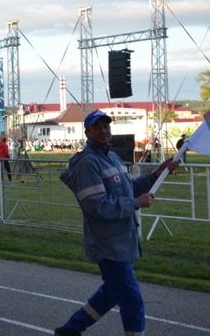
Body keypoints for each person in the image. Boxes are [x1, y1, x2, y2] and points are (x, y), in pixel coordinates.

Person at [54, 110, 178, 336]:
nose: (104, 131)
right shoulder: (87, 163)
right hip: (107, 244)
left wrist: (157, 174)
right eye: (98, 127)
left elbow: (130, 188)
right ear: (87, 132)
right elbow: (97, 206)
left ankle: (71, 329)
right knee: (132, 298)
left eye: (106, 126)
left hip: (124, 240)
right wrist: (135, 203)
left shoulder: (111, 157)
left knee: (112, 293)